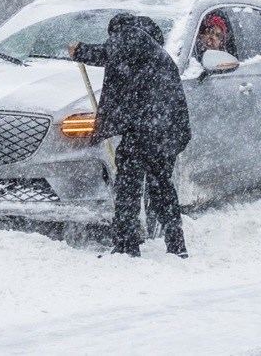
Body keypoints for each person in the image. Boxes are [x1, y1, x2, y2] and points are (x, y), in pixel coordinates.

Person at [68, 13, 192, 258]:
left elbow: (111, 50)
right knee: (161, 188)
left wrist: (80, 50)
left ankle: (126, 247)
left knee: (128, 186)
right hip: (166, 130)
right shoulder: (155, 53)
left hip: (147, 129)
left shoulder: (132, 34)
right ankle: (177, 247)